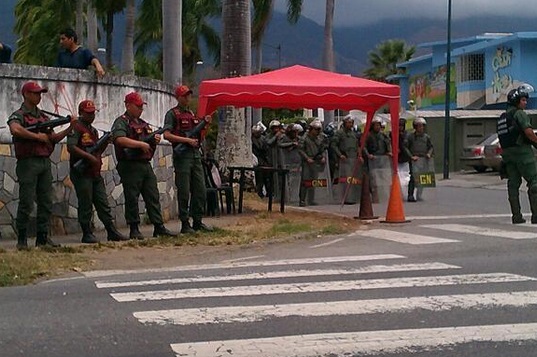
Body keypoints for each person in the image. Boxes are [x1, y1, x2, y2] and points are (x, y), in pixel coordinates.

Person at [8, 81, 76, 249]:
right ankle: (22, 239)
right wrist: (37, 137)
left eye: (40, 93)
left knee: (46, 201)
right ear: (26, 94)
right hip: (28, 162)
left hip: (44, 162)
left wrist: (69, 128)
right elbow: (15, 129)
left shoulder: (43, 117)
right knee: (26, 201)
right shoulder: (20, 115)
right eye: (36, 93)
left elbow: (52, 138)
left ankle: (43, 237)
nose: (39, 96)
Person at [111, 92, 175, 239]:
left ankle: (158, 226)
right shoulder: (122, 122)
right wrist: (140, 144)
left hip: (144, 164)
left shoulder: (143, 123)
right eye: (138, 106)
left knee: (152, 195)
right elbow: (119, 139)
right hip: (130, 165)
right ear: (128, 105)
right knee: (132, 197)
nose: (141, 109)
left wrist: (155, 140)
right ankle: (134, 228)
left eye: (141, 106)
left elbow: (149, 140)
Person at [67, 100, 129, 243]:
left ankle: (111, 230)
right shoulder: (76, 127)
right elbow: (71, 147)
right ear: (81, 113)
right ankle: (87, 232)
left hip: (94, 173)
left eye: (93, 113)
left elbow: (97, 151)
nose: (92, 115)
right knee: (86, 203)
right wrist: (88, 156)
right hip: (82, 173)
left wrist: (105, 142)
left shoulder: (93, 130)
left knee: (102, 203)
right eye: (88, 113)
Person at [163, 85, 213, 234]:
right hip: (182, 156)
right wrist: (185, 141)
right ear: (178, 97)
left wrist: (206, 124)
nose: (187, 98)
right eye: (184, 96)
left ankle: (197, 221)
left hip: (195, 155)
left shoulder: (191, 114)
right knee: (184, 191)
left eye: (189, 95)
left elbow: (199, 136)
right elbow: (167, 135)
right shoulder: (172, 114)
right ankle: (185, 223)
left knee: (200, 190)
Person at [497, 85, 537, 224]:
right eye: (523, 100)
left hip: (507, 155)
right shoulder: (519, 114)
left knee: (513, 184)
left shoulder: (502, 117)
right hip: (522, 152)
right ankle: (536, 215)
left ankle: (516, 216)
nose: (525, 103)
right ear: (516, 101)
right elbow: (528, 132)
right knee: (534, 181)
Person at [331, 115, 361, 204]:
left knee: (353, 180)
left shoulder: (353, 134)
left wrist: (359, 156)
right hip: (344, 160)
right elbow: (333, 145)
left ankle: (352, 197)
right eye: (348, 123)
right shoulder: (339, 133)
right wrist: (340, 155)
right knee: (344, 180)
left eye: (351, 123)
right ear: (344, 123)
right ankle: (344, 197)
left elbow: (357, 146)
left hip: (353, 160)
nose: (350, 124)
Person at [404, 117, 434, 202]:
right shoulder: (410, 137)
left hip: (424, 159)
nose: (421, 128)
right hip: (415, 160)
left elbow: (431, 147)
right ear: (415, 127)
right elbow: (405, 147)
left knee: (423, 177)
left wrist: (429, 154)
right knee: (413, 177)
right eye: (419, 126)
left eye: (422, 126)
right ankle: (410, 195)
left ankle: (419, 195)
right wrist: (411, 156)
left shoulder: (427, 137)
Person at [298, 120, 327, 207]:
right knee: (305, 181)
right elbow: (300, 150)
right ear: (311, 129)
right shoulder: (304, 138)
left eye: (319, 130)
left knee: (313, 181)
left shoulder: (319, 138)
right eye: (316, 129)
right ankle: (302, 200)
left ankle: (311, 199)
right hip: (307, 162)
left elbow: (321, 149)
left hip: (316, 161)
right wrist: (307, 158)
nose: (318, 131)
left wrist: (322, 157)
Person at [364, 117, 392, 203]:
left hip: (383, 160)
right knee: (373, 180)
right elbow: (363, 146)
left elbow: (388, 145)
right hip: (373, 161)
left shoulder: (383, 135)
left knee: (384, 179)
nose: (378, 127)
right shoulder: (368, 135)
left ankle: (385, 196)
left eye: (379, 125)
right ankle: (374, 196)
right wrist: (368, 155)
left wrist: (389, 152)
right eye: (376, 125)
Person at [251, 122, 269, 198]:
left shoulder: (264, 139)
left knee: (266, 178)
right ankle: (259, 192)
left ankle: (268, 192)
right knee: (259, 179)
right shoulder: (251, 140)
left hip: (263, 160)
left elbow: (266, 149)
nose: (257, 134)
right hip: (256, 159)